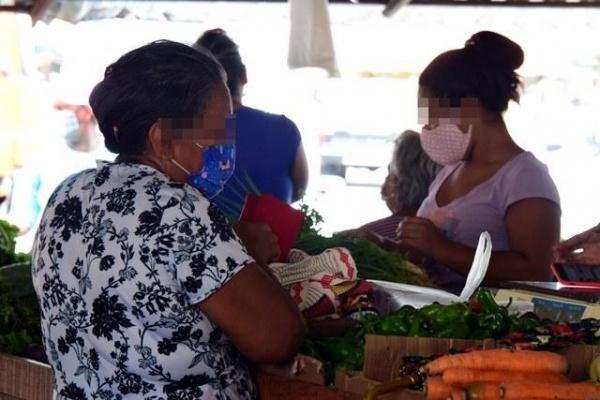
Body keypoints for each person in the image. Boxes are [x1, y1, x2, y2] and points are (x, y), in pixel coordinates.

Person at [32, 40, 304, 400]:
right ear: (163, 138)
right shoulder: (178, 209)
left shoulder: (67, 194)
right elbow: (277, 338)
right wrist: (244, 251)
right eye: (217, 128)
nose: (225, 143)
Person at [395, 31, 561, 291]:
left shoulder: (525, 177)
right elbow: (425, 255)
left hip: (488, 325)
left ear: (469, 106)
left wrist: (442, 249)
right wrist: (383, 247)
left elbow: (536, 271)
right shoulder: (450, 171)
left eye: (432, 116)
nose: (427, 128)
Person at [193, 29, 309, 217]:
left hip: (200, 242)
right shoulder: (284, 129)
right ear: (244, 75)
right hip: (274, 243)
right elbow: (298, 191)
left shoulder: (180, 136)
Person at [343, 130, 440, 243]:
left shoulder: (369, 236)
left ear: (398, 181)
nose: (385, 184)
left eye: (390, 173)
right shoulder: (445, 234)